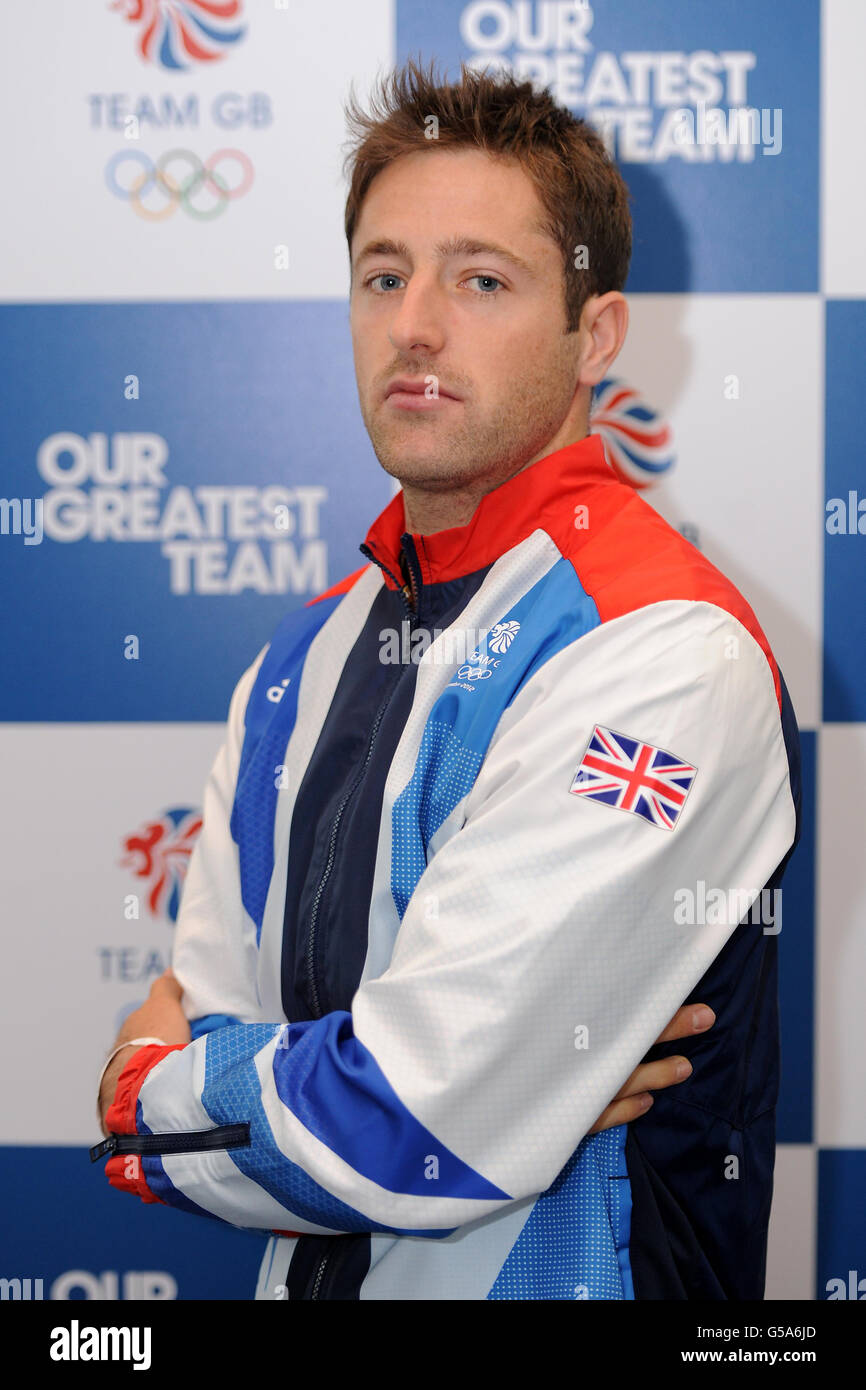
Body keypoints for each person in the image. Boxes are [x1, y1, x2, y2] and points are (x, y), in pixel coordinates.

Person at [92, 59, 801, 1301]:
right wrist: (402, 1081)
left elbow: (420, 1120)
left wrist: (146, 1093)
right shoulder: (293, 664)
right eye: (382, 275)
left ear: (597, 333)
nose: (414, 322)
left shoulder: (662, 643)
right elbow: (339, 1075)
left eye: (481, 279)